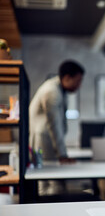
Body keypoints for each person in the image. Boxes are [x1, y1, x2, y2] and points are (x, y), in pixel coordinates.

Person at [29, 60, 84, 195]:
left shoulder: (57, 88)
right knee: (52, 182)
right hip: (44, 139)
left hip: (46, 139)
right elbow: (54, 124)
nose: (79, 85)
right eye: (77, 81)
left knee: (49, 180)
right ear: (66, 78)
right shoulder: (51, 91)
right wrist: (62, 154)